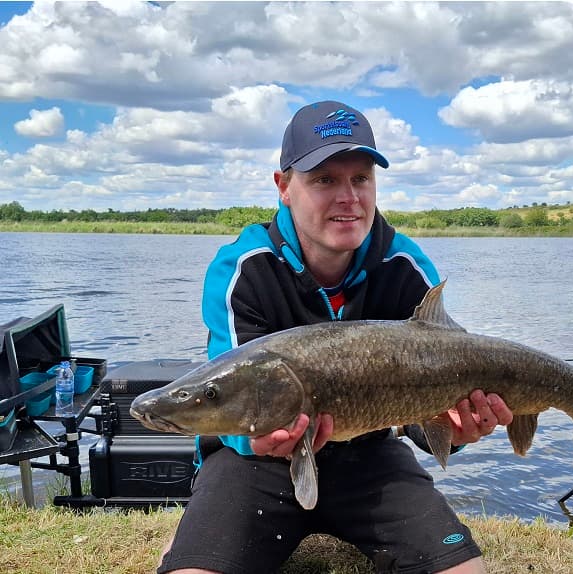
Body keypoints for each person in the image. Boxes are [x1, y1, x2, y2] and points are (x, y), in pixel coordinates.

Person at [158, 100, 513, 574]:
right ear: (284, 187)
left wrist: (460, 429)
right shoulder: (243, 268)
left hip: (369, 454)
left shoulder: (405, 268)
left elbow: (427, 422)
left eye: (361, 178)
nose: (349, 197)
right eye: (324, 179)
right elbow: (226, 402)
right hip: (254, 465)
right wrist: (255, 442)